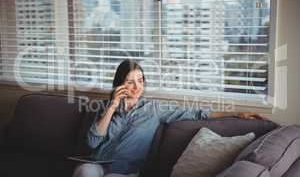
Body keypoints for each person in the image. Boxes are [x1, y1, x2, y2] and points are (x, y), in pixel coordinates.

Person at [73, 59, 265, 177]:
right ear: (119, 85)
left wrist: (235, 113)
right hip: (98, 164)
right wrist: (112, 106)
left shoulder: (154, 109)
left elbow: (196, 112)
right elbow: (92, 142)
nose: (136, 87)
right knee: (84, 171)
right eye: (130, 82)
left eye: (140, 81)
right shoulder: (106, 108)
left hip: (125, 172)